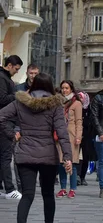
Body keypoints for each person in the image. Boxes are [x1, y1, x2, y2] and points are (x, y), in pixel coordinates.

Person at [0, 73, 73, 223]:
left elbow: (1, 117)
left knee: (27, 195)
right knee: (48, 194)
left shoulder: (19, 102)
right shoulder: (55, 105)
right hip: (47, 155)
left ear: (33, 85)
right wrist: (67, 157)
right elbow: (62, 132)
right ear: (51, 87)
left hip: (25, 154)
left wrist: (12, 134)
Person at [0, 55, 22, 200]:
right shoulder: (2, 78)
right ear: (9, 65)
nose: (16, 71)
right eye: (16, 68)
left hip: (6, 122)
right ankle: (9, 189)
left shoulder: (5, 78)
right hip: (4, 123)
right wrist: (17, 95)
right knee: (6, 157)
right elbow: (2, 99)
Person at [56, 80, 82, 199]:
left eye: (67, 88)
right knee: (61, 162)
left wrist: (78, 136)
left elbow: (78, 121)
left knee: (72, 163)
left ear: (71, 89)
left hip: (72, 135)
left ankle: (72, 189)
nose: (64, 90)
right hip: (60, 135)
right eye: (63, 88)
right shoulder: (58, 103)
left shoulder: (76, 103)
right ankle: (62, 188)